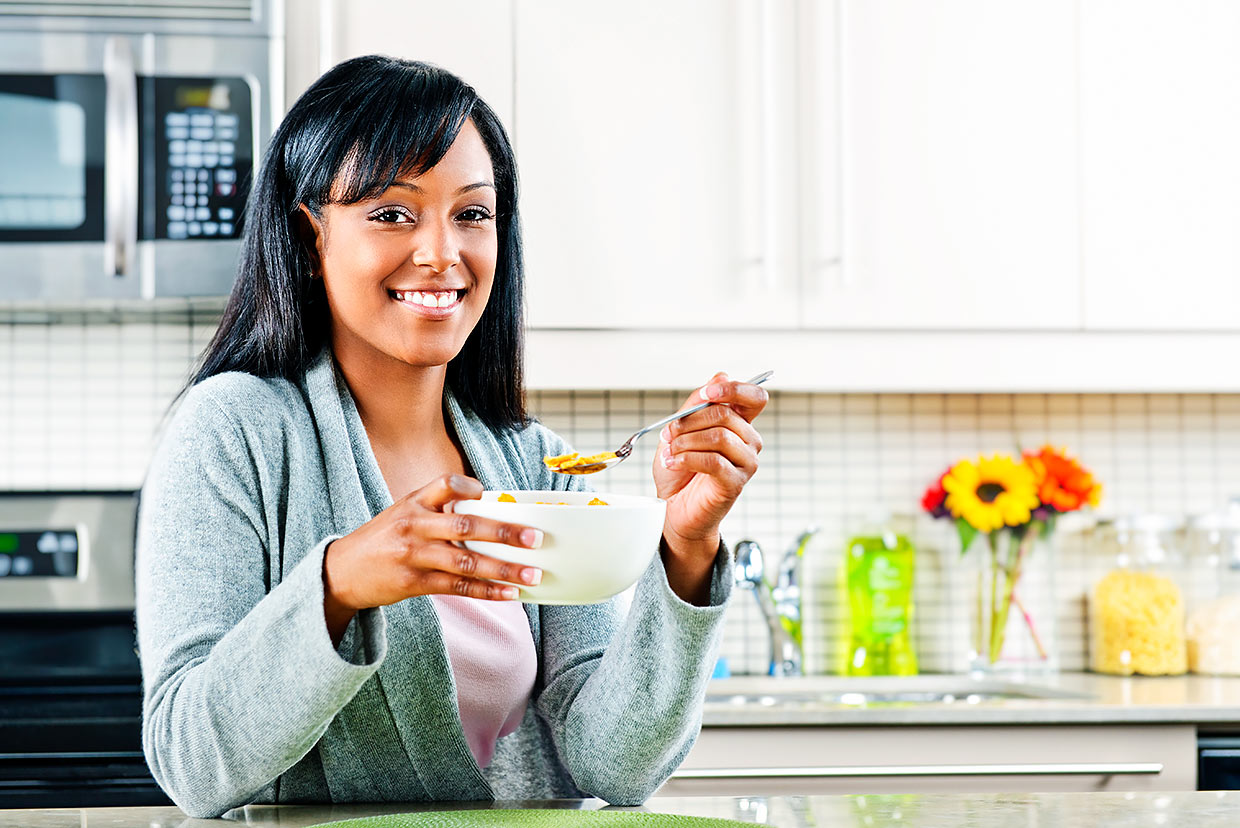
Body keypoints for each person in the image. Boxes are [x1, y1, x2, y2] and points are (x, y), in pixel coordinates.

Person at [135, 55, 768, 820]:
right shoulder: (234, 432)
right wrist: (338, 586)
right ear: (309, 238)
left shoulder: (539, 464)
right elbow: (190, 763)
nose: (442, 254)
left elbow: (615, 765)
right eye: (393, 213)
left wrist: (688, 551)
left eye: (471, 214)